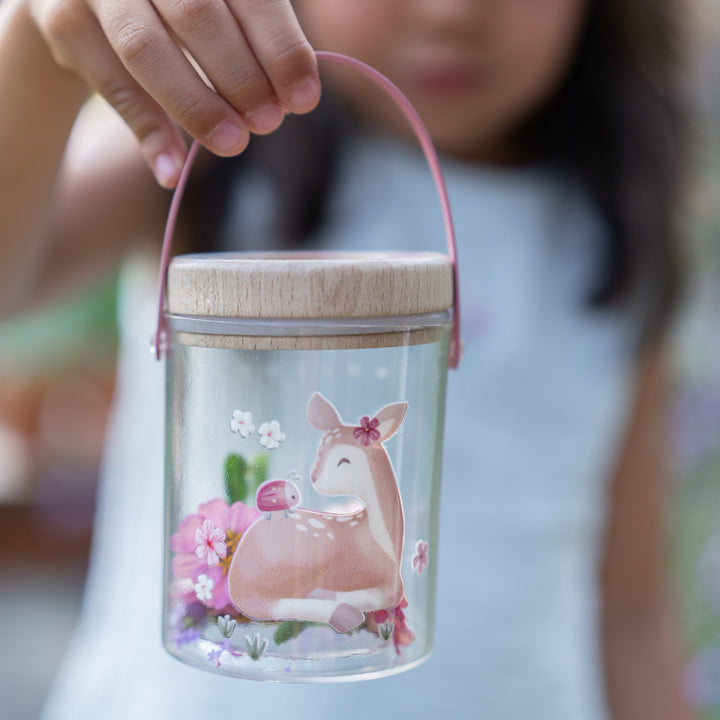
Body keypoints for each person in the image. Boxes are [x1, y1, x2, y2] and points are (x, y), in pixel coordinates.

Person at [0, 0, 692, 717]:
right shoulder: (216, 145)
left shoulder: (612, 236)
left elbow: (632, 611)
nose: (452, 13)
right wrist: (36, 45)